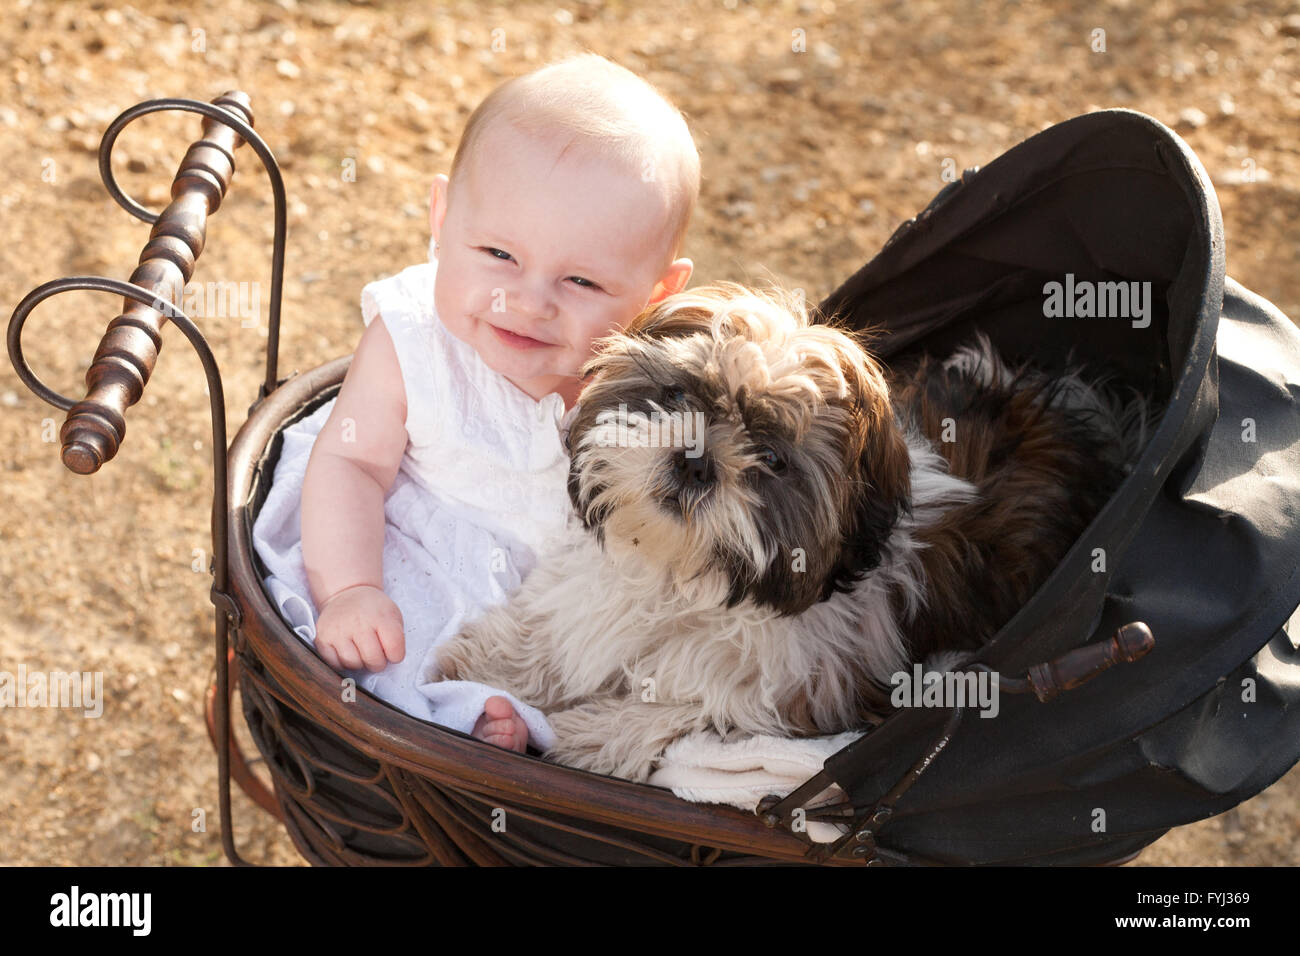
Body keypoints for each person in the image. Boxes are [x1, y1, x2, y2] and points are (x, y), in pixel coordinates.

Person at [296, 51, 699, 754]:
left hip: (555, 605)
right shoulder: (413, 342)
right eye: (498, 255)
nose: (528, 302)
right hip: (412, 556)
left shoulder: (638, 385)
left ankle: (516, 734)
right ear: (442, 215)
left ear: (657, 295)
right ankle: (453, 716)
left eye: (580, 281)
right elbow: (351, 465)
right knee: (391, 644)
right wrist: (351, 587)